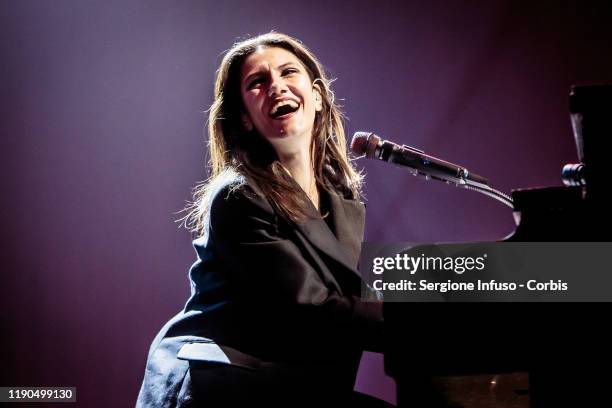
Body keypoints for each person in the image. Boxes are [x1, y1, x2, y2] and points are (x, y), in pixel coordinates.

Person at [136, 32, 388, 407]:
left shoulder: (341, 198)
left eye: (289, 73)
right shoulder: (239, 197)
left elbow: (350, 297)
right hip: (228, 386)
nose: (276, 87)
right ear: (245, 118)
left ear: (317, 97)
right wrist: (428, 324)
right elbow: (313, 309)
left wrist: (471, 291)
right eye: (258, 82)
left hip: (291, 383)